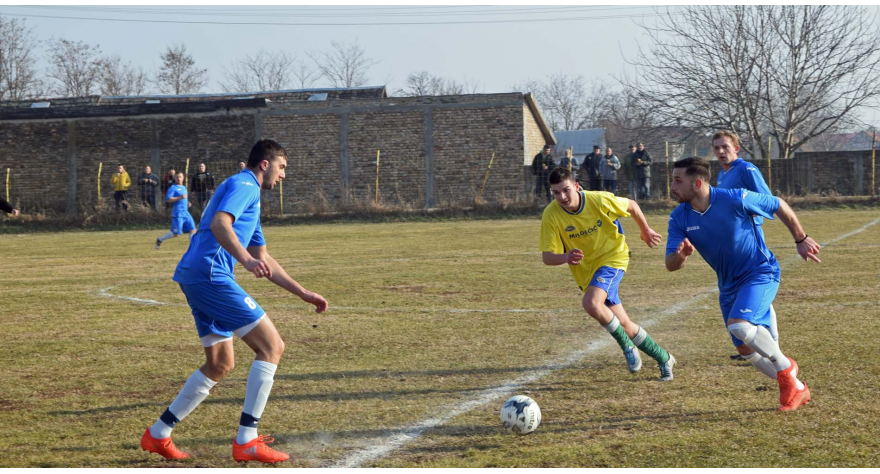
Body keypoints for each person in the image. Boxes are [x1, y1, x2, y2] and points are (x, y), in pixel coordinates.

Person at [141, 139, 328, 464]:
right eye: (282, 167)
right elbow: (219, 224)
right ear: (265, 164)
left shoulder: (247, 199)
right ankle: (247, 440)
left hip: (195, 274)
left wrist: (303, 292)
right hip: (210, 275)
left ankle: (158, 434)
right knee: (272, 347)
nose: (283, 176)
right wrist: (244, 261)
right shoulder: (245, 185)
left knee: (220, 364)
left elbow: (263, 258)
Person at [665, 157, 819, 411]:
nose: (672, 186)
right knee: (746, 349)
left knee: (740, 326)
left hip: (760, 272)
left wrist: (800, 238)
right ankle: (799, 388)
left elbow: (778, 204)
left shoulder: (735, 198)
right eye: (673, 179)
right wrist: (680, 256)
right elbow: (670, 264)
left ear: (698, 183)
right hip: (728, 286)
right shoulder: (679, 217)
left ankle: (785, 367)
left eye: (678, 180)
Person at [540, 167, 675, 381]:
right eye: (556, 193)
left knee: (591, 303)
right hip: (587, 272)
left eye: (566, 190)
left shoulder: (598, 200)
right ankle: (664, 357)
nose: (562, 197)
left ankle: (628, 348)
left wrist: (645, 230)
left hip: (613, 258)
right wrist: (566, 257)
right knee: (623, 324)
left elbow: (631, 205)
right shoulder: (551, 214)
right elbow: (547, 256)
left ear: (576, 186)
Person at [713, 130, 778, 362]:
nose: (721, 151)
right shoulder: (722, 175)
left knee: (753, 291)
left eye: (725, 147)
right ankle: (754, 345)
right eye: (717, 148)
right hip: (732, 240)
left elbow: (768, 200)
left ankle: (771, 345)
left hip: (749, 238)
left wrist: (750, 218)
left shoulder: (747, 169)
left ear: (736, 148)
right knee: (743, 291)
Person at [155, 172, 196, 250]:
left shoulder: (184, 187)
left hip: (186, 213)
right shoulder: (173, 188)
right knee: (176, 234)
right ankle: (160, 239)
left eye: (180, 177)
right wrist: (180, 197)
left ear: (183, 178)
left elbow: (184, 198)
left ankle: (193, 249)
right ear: (175, 178)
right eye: (177, 177)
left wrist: (188, 202)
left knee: (192, 230)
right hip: (178, 213)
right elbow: (168, 199)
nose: (179, 179)